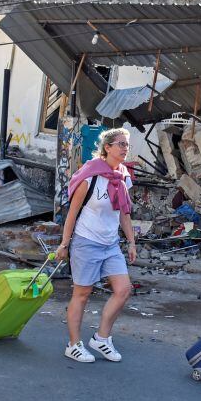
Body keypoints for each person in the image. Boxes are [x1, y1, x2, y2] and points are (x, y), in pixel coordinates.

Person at [56, 128, 137, 363]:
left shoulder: (123, 176)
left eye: (127, 144)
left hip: (110, 244)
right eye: (120, 144)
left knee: (123, 290)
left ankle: (101, 339)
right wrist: (64, 244)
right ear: (107, 147)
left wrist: (131, 242)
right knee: (82, 294)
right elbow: (72, 213)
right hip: (86, 242)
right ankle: (73, 345)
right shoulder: (90, 176)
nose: (125, 148)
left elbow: (124, 213)